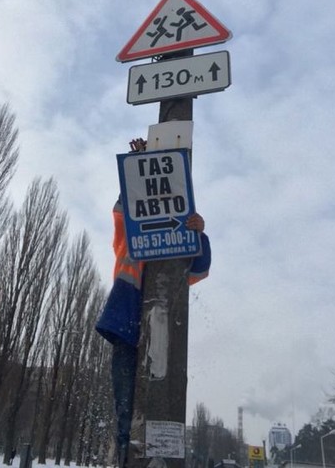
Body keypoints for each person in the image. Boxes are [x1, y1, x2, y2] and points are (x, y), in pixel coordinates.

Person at [96, 139, 211, 467]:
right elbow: (122, 212)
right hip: (125, 327)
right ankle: (125, 458)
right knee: (125, 406)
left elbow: (199, 270)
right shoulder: (129, 238)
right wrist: (136, 166)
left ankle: (154, 456)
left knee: (157, 402)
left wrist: (200, 234)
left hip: (161, 334)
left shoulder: (173, 248)